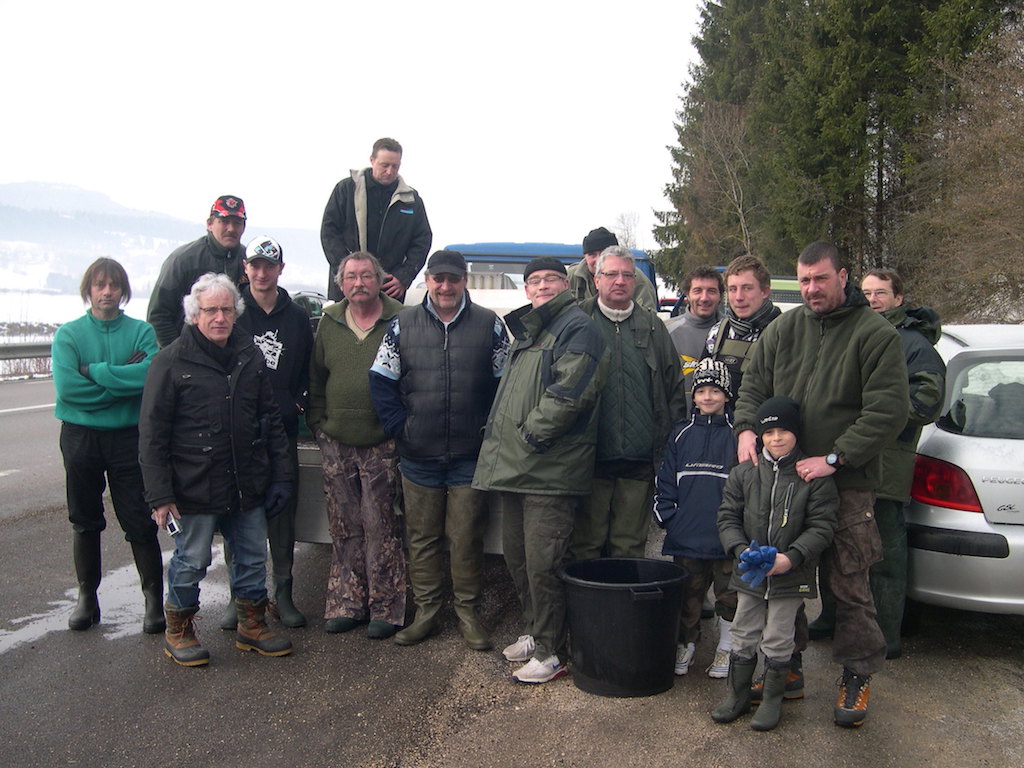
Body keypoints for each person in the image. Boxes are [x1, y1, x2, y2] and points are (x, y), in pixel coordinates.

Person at [733, 241, 909, 727]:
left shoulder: (875, 335)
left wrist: (836, 457)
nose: (812, 289)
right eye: (805, 280)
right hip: (785, 484)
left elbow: (889, 410)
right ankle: (787, 668)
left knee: (848, 582)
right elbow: (753, 384)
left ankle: (857, 674)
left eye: (821, 279)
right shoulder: (784, 329)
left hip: (847, 483)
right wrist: (746, 427)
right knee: (783, 579)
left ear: (843, 277)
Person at [139, 273, 294, 666]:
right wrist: (160, 496)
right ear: (195, 315)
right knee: (192, 560)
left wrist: (281, 475)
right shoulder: (170, 362)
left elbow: (270, 419)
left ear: (236, 312)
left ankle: (252, 625)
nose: (220, 317)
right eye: (211, 310)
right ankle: (179, 630)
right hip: (193, 485)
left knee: (252, 555)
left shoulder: (249, 356)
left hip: (246, 481)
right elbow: (152, 435)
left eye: (227, 309)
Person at [473, 257, 607, 684]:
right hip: (517, 467)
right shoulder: (531, 331)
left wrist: (529, 437)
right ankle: (535, 631)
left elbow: (570, 394)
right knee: (519, 559)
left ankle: (553, 651)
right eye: (534, 281)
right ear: (527, 289)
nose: (542, 285)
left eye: (551, 279)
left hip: (550, 469)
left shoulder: (577, 327)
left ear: (566, 284)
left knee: (545, 563)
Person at [369, 250, 510, 650]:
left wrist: (489, 432)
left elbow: (505, 384)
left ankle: (468, 613)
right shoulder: (402, 325)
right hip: (418, 455)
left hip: (470, 456)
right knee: (422, 538)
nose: (446, 286)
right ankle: (427, 613)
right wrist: (402, 428)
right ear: (427, 281)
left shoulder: (490, 325)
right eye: (439, 279)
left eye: (453, 278)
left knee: (466, 538)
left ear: (464, 280)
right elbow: (381, 381)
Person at [712, 396, 838, 731]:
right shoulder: (744, 473)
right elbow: (727, 517)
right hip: (749, 573)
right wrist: (740, 550)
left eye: (784, 431)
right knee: (742, 631)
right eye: (769, 432)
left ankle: (771, 700)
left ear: (796, 433)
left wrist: (791, 557)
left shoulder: (812, 476)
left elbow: (822, 526)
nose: (776, 438)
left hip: (789, 574)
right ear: (760, 436)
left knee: (779, 637)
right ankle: (737, 696)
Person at [52, 258, 164, 634]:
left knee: (140, 520)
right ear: (89, 289)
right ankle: (87, 598)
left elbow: (148, 376)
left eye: (114, 285)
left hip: (127, 438)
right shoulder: (68, 335)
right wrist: (121, 385)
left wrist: (96, 372)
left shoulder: (141, 332)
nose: (107, 292)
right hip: (80, 437)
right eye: (99, 285)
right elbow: (69, 390)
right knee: (84, 519)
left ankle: (153, 601)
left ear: (123, 290)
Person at [307, 252, 407, 639]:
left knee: (382, 525)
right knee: (344, 526)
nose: (359, 283)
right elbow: (317, 378)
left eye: (366, 275)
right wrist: (318, 424)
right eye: (351, 277)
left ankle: (385, 607)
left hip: (382, 442)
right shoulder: (329, 322)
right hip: (336, 442)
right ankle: (346, 603)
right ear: (341, 283)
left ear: (380, 280)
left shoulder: (400, 319)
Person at [852, 269, 943, 659]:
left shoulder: (915, 344)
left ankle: (887, 633)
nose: (872, 299)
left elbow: (926, 402)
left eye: (880, 293)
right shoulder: (855, 332)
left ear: (899, 298)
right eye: (866, 293)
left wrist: (877, 416)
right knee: (840, 545)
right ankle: (834, 618)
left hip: (889, 461)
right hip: (849, 456)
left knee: (885, 551)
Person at [574, 245, 686, 560]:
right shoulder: (578, 321)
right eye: (612, 274)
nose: (620, 281)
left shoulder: (653, 326)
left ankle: (624, 594)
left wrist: (669, 448)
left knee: (629, 549)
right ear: (597, 280)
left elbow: (673, 389)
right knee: (585, 547)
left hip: (639, 462)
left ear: (635, 281)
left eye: (627, 275)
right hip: (589, 461)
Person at [230, 235, 314, 629]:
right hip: (239, 431)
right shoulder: (233, 311)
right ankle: (241, 596)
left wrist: (298, 402)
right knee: (238, 512)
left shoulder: (296, 316)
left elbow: (309, 368)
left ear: (280, 269)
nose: (262, 273)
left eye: (269, 266)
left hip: (281, 430)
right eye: (255, 266)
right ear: (245, 268)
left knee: (282, 514)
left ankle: (283, 593)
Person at [654, 359, 737, 679]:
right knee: (689, 594)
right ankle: (686, 643)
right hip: (687, 535)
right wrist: (669, 518)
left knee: (730, 595)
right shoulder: (680, 434)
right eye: (701, 390)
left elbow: (748, 486)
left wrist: (742, 527)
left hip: (726, 537)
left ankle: (727, 645)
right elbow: (665, 480)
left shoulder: (738, 435)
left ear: (727, 395)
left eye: (715, 390)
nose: (708, 397)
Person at [321, 137, 432, 302]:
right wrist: (345, 272)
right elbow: (329, 232)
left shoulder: (411, 200)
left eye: (395, 166)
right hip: (347, 288)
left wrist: (404, 276)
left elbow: (422, 240)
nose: (389, 171)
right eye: (384, 165)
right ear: (372, 160)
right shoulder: (346, 190)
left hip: (389, 288)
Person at [147, 195, 247, 347]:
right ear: (210, 224)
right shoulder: (182, 260)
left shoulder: (252, 264)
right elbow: (158, 315)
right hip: (188, 351)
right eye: (224, 221)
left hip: (237, 354)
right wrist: (177, 352)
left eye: (237, 223)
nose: (231, 228)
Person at [703, 254, 782, 394]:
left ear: (765, 291)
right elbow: (701, 387)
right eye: (733, 289)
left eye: (747, 288)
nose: (739, 297)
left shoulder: (782, 333)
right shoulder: (717, 332)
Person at [667, 265, 724, 398]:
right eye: (697, 291)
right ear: (687, 295)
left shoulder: (732, 331)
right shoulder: (666, 332)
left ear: (720, 296)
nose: (704, 298)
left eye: (711, 291)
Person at [567, 227, 659, 309]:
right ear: (585, 257)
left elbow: (646, 318)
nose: (598, 259)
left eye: (604, 254)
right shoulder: (571, 277)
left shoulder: (637, 279)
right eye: (592, 255)